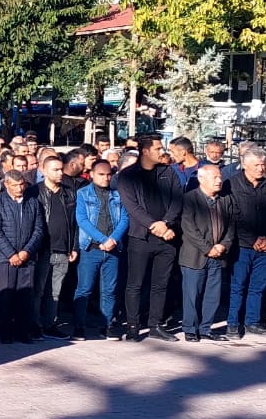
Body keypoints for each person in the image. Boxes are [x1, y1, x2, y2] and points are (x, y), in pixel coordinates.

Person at [115, 134, 183, 342]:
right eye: (157, 148)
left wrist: (167, 223)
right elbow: (132, 207)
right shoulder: (127, 175)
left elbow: (177, 200)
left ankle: (155, 324)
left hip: (168, 237)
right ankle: (134, 326)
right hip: (140, 237)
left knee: (160, 284)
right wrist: (155, 226)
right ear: (145, 151)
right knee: (135, 284)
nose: (162, 152)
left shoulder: (167, 172)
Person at [225, 147, 266, 340]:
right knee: (237, 286)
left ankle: (252, 322)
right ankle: (233, 324)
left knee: (258, 286)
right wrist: (252, 239)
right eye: (256, 165)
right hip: (242, 246)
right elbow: (232, 215)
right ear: (245, 164)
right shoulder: (231, 184)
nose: (260, 168)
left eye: (263, 164)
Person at [0, 170, 44, 344]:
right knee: (6, 296)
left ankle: (23, 332)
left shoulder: (33, 203)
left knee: (25, 297)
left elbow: (39, 229)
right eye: (15, 185)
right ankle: (6, 333)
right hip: (5, 258)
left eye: (22, 185)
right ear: (7, 185)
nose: (19, 188)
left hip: (27, 258)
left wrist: (26, 251)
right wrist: (11, 253)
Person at [73, 160, 126, 341]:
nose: (106, 178)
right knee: (84, 289)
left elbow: (124, 219)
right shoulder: (83, 193)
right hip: (91, 248)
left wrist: (113, 240)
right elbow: (82, 219)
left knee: (109, 289)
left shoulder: (118, 195)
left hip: (113, 249)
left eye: (109, 174)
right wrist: (103, 239)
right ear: (92, 174)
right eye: (102, 174)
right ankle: (79, 326)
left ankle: (107, 325)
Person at [178, 164, 233, 342]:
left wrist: (223, 245)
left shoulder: (225, 199)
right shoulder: (189, 199)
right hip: (195, 255)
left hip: (218, 254)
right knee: (192, 294)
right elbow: (189, 229)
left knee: (212, 294)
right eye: (215, 177)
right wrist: (208, 248)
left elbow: (232, 226)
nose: (219, 180)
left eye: (220, 177)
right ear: (201, 179)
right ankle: (190, 328)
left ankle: (206, 328)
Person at [35, 154, 78, 339]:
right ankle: (34, 325)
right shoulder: (34, 192)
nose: (61, 173)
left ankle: (50, 324)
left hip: (62, 249)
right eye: (56, 169)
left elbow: (75, 223)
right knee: (37, 290)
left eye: (61, 169)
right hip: (41, 250)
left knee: (55, 291)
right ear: (43, 171)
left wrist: (73, 246)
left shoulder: (68, 192)